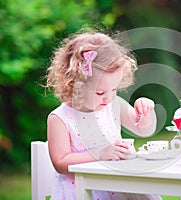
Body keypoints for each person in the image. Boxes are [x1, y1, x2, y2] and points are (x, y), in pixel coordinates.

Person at [45, 28, 162, 200]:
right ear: (74, 84)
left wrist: (146, 112)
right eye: (100, 93)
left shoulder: (113, 105)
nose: (108, 98)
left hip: (116, 184)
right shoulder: (60, 118)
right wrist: (100, 154)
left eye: (113, 89)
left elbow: (143, 131)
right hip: (81, 190)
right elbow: (60, 163)